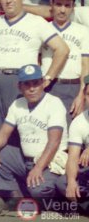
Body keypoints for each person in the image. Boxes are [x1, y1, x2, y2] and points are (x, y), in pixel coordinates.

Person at [0, 0, 69, 150]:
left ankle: (20, 171)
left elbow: (62, 49)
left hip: (20, 82)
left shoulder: (36, 23)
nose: (8, 0)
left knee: (21, 128)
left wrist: (48, 77)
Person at [0, 64, 68, 198]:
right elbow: (4, 132)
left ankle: (56, 201)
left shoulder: (54, 103)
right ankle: (16, 196)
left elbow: (54, 142)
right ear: (20, 87)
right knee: (1, 153)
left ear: (42, 83)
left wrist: (38, 168)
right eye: (27, 84)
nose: (32, 89)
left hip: (50, 163)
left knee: (38, 191)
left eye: (35, 83)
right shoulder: (18, 104)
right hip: (25, 161)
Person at [41, 0, 89, 124]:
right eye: (59, 4)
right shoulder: (43, 28)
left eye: (67, 5)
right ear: (52, 4)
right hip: (47, 87)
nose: (62, 10)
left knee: (69, 132)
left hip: (72, 88)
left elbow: (85, 65)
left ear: (73, 6)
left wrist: (81, 95)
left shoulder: (83, 32)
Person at [56, 76, 89, 208]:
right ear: (84, 97)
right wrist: (70, 181)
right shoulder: (79, 122)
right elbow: (73, 157)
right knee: (62, 183)